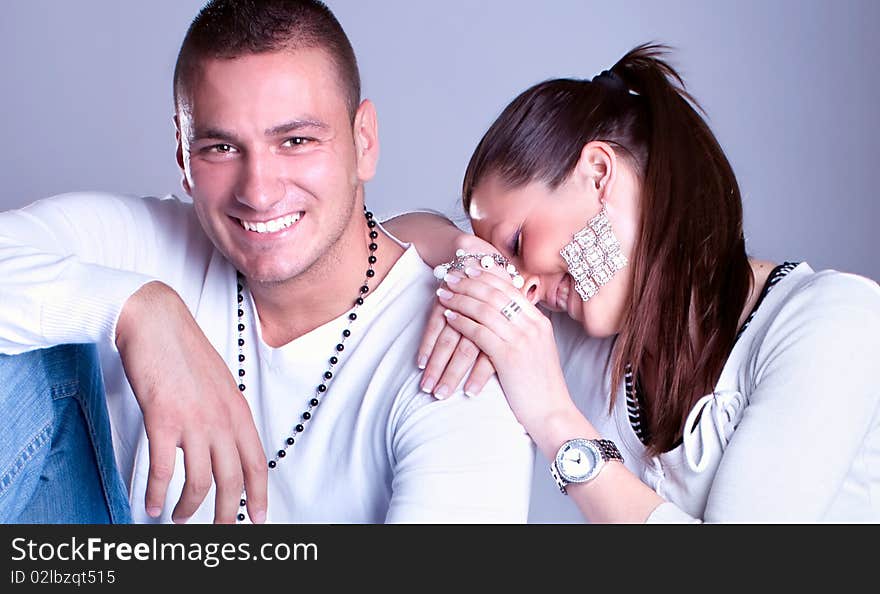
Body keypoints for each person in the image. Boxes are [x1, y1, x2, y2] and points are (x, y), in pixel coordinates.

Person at [0, 0, 533, 524]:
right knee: (29, 342)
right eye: (221, 148)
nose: (259, 191)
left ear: (363, 141)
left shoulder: (454, 362)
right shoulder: (142, 247)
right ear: (184, 158)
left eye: (296, 140)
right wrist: (138, 310)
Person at [385, 44, 880, 522]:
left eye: (516, 241)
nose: (522, 287)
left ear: (598, 174)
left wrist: (553, 416)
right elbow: (383, 234)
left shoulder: (836, 321)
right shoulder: (582, 330)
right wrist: (469, 255)